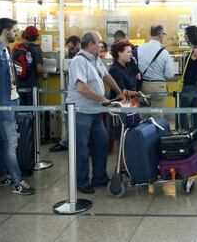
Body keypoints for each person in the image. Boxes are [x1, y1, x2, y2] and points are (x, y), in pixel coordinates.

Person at [66, 30, 125, 194]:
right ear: (90, 44)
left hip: (95, 112)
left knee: (101, 143)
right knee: (82, 148)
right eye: (99, 42)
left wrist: (119, 92)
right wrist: (103, 99)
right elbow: (82, 88)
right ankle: (82, 181)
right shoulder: (79, 61)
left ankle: (99, 176)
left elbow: (106, 76)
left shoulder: (95, 59)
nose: (101, 45)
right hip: (80, 112)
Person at [0, 18, 35, 195]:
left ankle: (2, 174)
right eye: (14, 30)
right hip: (4, 104)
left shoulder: (5, 51)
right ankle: (17, 181)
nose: (16, 33)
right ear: (5, 31)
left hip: (10, 101)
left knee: (4, 142)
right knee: (11, 143)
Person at [49, 35, 81, 152]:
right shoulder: (74, 57)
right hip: (72, 94)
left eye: (72, 48)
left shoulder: (81, 58)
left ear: (78, 44)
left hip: (79, 96)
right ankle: (67, 141)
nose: (70, 51)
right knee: (69, 118)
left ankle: (66, 142)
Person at [137, 25, 174, 111]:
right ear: (160, 34)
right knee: (157, 112)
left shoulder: (140, 48)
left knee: (145, 112)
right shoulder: (164, 52)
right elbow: (169, 75)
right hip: (159, 86)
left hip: (144, 85)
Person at [179, 26, 197, 131]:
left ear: (190, 35)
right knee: (194, 111)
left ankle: (185, 133)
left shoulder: (196, 49)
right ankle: (196, 134)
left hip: (190, 85)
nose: (184, 36)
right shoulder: (194, 49)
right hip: (193, 85)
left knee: (183, 111)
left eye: (186, 34)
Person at [12, 26, 47, 106]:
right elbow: (39, 69)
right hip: (31, 85)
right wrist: (44, 75)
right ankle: (32, 119)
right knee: (32, 109)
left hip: (19, 84)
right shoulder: (36, 49)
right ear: (37, 36)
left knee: (21, 108)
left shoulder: (18, 48)